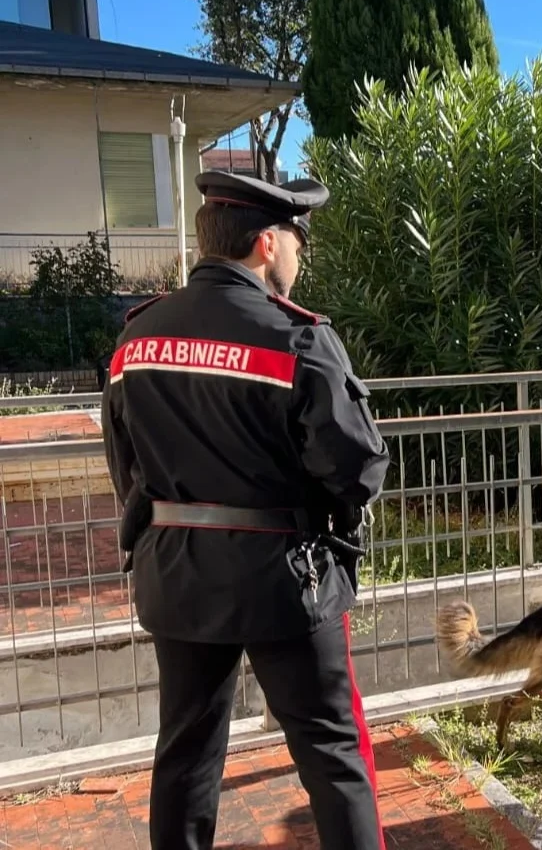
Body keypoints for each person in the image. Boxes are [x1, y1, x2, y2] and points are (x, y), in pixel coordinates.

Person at [100, 170, 391, 850]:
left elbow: (127, 465)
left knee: (186, 754)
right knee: (332, 755)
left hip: (176, 573)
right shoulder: (297, 338)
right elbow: (354, 468)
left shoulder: (136, 340)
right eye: (296, 239)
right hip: (286, 577)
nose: (299, 254)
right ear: (265, 243)